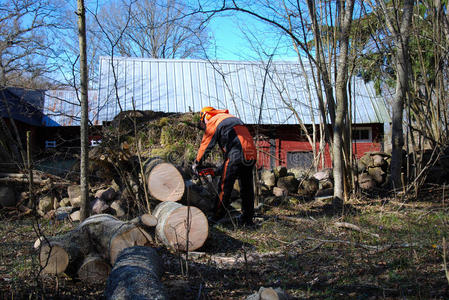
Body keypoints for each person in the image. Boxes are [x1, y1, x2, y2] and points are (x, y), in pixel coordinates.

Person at [192, 106, 257, 226]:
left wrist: (197, 163)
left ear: (205, 116)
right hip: (251, 153)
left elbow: (206, 145)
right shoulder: (232, 118)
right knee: (247, 187)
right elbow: (235, 144)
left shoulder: (214, 120)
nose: (205, 125)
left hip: (237, 154)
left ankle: (216, 216)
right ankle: (248, 218)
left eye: (203, 122)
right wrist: (219, 170)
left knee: (224, 186)